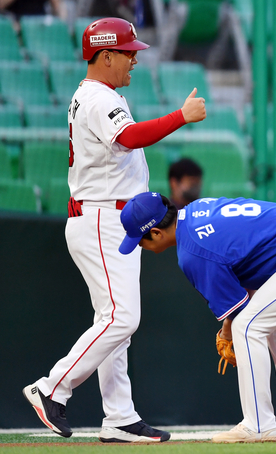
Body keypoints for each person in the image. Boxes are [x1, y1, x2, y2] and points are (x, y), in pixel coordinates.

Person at [22, 17, 206, 443]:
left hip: (109, 219)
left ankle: (119, 417)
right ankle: (52, 388)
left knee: (113, 323)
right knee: (122, 318)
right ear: (106, 56)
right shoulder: (97, 97)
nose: (134, 61)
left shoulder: (97, 95)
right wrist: (181, 116)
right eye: (128, 53)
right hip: (101, 218)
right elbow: (131, 137)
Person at [118, 192, 276, 443]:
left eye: (139, 240)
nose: (139, 245)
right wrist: (229, 329)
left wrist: (226, 333)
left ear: (156, 232)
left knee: (247, 328)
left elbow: (238, 310)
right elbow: (246, 272)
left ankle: (258, 425)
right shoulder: (199, 208)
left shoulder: (192, 252)